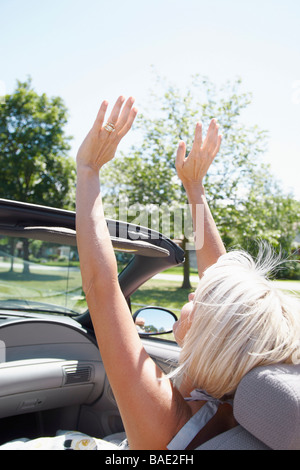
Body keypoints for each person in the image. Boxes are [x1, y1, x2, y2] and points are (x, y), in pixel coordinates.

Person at [1, 96, 299, 450]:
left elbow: (102, 287)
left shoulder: (167, 425)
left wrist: (88, 169)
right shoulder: (236, 409)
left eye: (202, 299)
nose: (195, 291)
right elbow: (221, 281)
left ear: (214, 338)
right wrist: (194, 187)